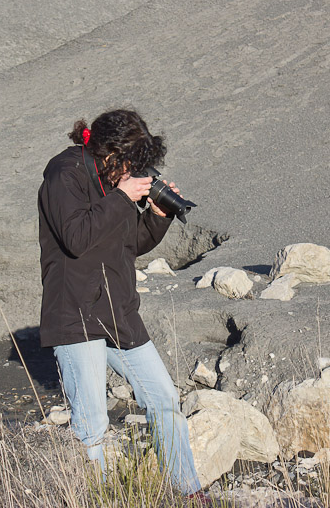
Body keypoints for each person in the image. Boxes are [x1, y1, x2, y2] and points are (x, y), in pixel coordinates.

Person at [37, 109, 206, 500]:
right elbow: (77, 238)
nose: (134, 171)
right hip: (76, 313)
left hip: (118, 312)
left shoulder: (115, 182)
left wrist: (157, 216)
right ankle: (95, 498)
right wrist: (121, 196)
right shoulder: (64, 174)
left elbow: (127, 245)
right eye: (131, 163)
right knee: (92, 422)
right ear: (110, 152)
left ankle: (186, 492)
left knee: (164, 399)